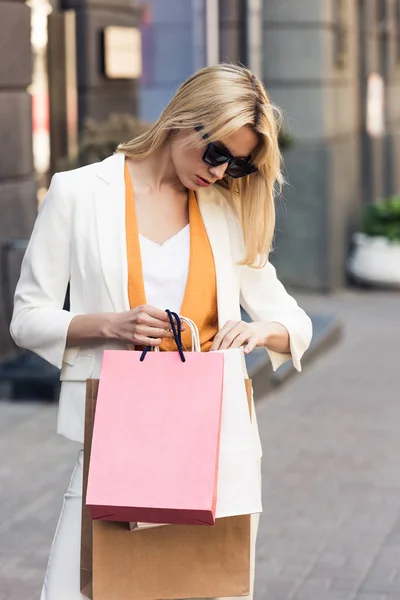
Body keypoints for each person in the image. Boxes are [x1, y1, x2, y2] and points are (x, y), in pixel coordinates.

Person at [10, 63, 312, 599]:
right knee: (79, 587)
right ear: (183, 119)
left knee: (204, 587)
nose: (220, 173)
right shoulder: (78, 193)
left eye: (237, 165)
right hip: (115, 436)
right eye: (216, 152)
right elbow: (27, 318)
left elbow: (295, 324)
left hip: (216, 440)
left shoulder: (225, 212)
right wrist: (110, 324)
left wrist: (258, 331)